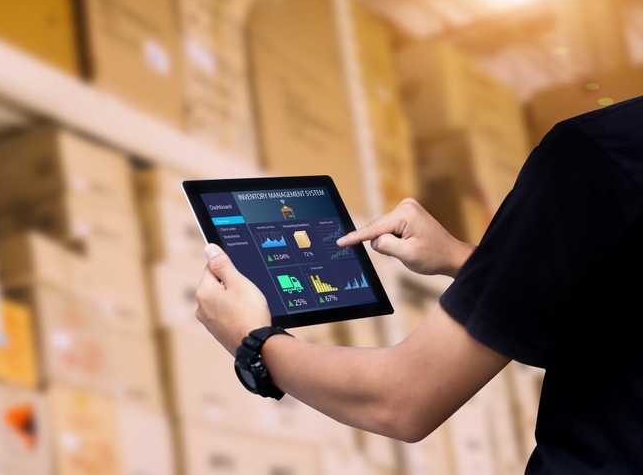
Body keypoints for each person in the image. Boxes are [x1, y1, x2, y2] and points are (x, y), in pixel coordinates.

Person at [193, 95, 643, 474]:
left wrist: (253, 342)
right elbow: (619, 318)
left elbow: (402, 399)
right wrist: (463, 258)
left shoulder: (598, 151)